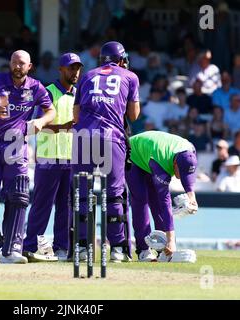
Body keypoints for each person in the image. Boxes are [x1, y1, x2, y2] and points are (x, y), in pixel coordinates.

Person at [0, 50, 56, 264]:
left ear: (30, 66)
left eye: (22, 63)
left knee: (18, 195)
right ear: (10, 64)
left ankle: (11, 250)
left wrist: (41, 122)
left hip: (17, 146)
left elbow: (51, 110)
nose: (18, 66)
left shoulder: (36, 87)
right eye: (15, 62)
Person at [72, 41, 140, 262]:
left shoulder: (87, 75)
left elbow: (75, 115)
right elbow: (134, 115)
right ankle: (118, 248)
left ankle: (82, 247)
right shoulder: (130, 77)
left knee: (83, 194)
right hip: (111, 138)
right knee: (114, 194)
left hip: (83, 137)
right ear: (121, 59)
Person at [23, 53, 83, 261]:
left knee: (66, 207)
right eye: (70, 68)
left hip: (71, 158)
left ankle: (61, 248)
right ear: (61, 69)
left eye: (77, 68)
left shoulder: (80, 93)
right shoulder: (47, 92)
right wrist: (63, 127)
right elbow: (38, 125)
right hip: (48, 158)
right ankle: (30, 245)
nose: (74, 72)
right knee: (42, 205)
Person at [126, 131, 198, 262]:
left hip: (151, 152)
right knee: (141, 200)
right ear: (175, 164)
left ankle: (163, 250)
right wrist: (171, 240)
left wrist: (192, 199)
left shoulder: (190, 151)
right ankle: (143, 250)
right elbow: (165, 203)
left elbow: (189, 181)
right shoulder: (161, 163)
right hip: (134, 154)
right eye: (180, 172)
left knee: (157, 205)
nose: (181, 177)